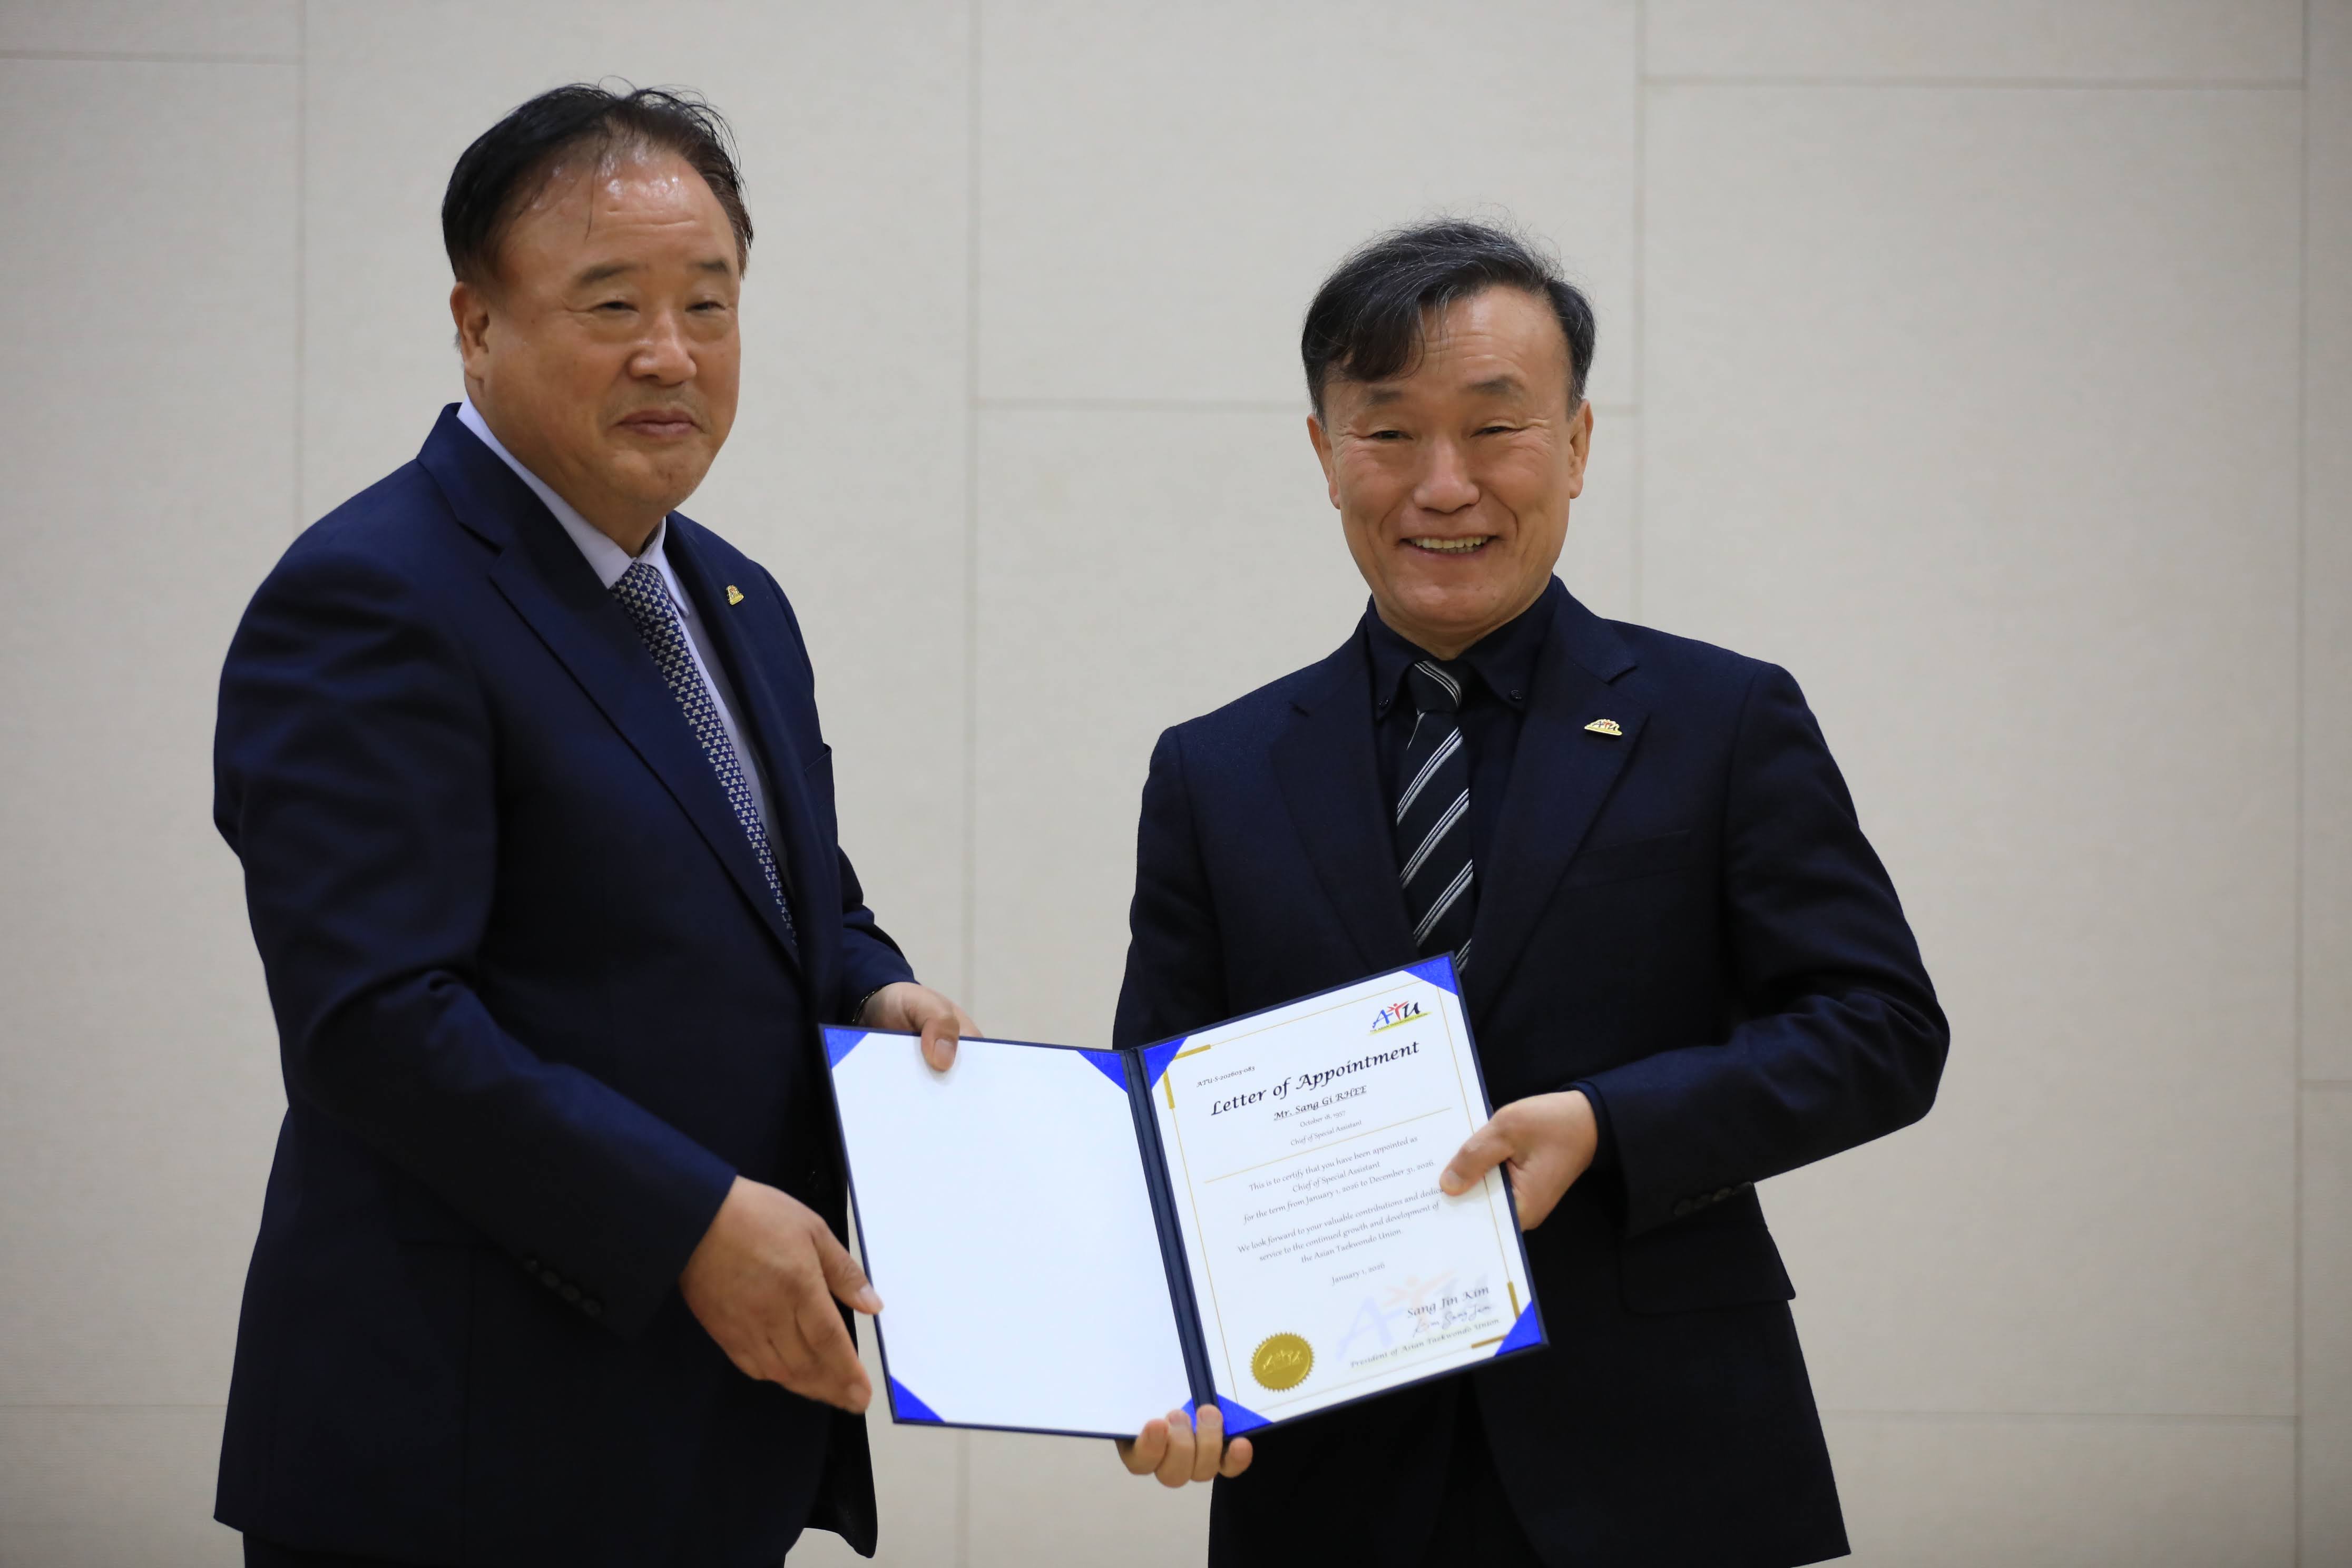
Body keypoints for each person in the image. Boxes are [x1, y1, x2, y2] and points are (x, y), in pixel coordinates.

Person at [1111, 220, 1948, 1566]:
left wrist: (1610, 1124)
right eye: (1390, 433)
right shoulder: (1217, 771)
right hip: (1329, 1473)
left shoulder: (1722, 720)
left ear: (1577, 445)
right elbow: (1161, 1120)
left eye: (1496, 429)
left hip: (1661, 1459)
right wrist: (1151, 1370)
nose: (1444, 486)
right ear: (1325, 453)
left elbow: (1882, 1031)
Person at [212, 84, 972, 1566]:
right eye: (612, 303)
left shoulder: (733, 595)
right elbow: (374, 1020)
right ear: (476, 323)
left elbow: (785, 895)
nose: (670, 353)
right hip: (465, 1449)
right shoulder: (373, 595)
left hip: (704, 1438)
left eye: (709, 303)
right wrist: (688, 1221)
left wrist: (873, 987)